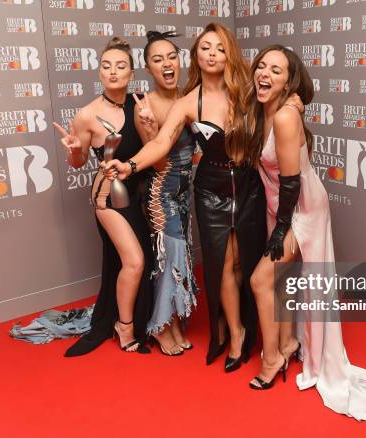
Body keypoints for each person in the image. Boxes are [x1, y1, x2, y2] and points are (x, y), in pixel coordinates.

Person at [103, 23, 268, 371]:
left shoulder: (246, 91)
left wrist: (295, 102)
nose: (212, 54)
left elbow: (280, 97)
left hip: (250, 188)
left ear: (229, 54)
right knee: (222, 264)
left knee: (243, 263)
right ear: (195, 55)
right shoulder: (187, 102)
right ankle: (235, 334)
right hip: (211, 191)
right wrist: (129, 166)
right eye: (205, 47)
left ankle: (236, 323)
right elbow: (161, 145)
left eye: (219, 48)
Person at [244, 45, 366, 420]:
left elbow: (292, 180)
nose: (264, 74)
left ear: (288, 81)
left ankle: (273, 357)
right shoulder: (267, 108)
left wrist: (282, 229)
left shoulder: (283, 116)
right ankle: (290, 341)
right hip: (279, 203)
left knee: (261, 280)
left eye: (276, 71)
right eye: (261, 66)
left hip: (300, 208)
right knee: (277, 280)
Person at [53, 37, 154, 356]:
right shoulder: (86, 115)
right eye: (106, 66)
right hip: (109, 198)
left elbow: (153, 149)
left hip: (140, 193)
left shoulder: (141, 102)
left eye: (120, 66)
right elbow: (79, 161)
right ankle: (124, 329)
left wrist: (150, 124)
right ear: (99, 73)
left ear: (131, 72)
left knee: (141, 262)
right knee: (134, 262)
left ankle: (142, 320)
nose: (113, 72)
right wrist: (72, 151)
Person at [133, 30, 199, 356]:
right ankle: (159, 327)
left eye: (171, 57)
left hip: (186, 194)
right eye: (158, 60)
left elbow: (198, 150)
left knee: (179, 258)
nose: (167, 64)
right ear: (149, 68)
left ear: (180, 60)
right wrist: (150, 127)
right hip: (161, 195)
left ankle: (172, 321)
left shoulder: (188, 99)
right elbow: (157, 162)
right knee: (167, 256)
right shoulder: (146, 106)